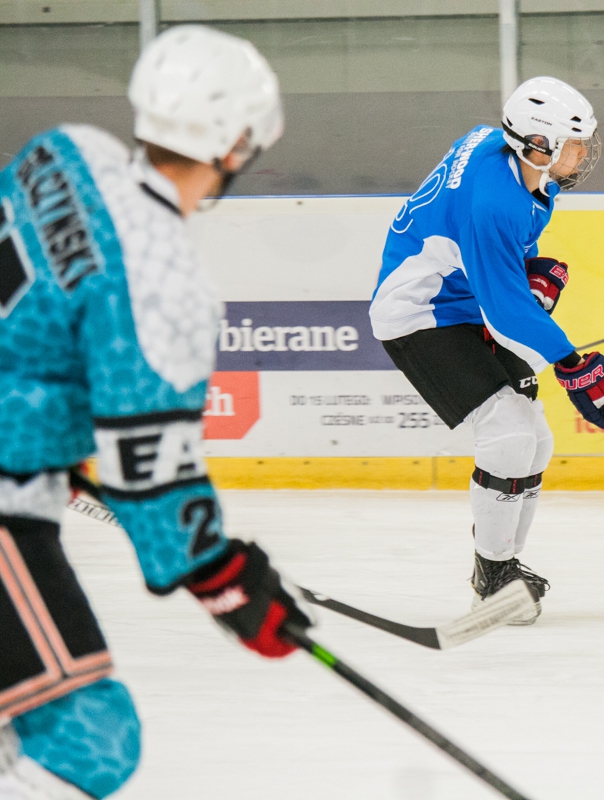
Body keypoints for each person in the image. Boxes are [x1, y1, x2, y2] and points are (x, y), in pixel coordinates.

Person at [0, 25, 312, 800]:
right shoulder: (166, 281)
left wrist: (51, 436)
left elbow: (40, 321)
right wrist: (225, 578)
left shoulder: (62, 151)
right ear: (237, 143)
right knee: (87, 742)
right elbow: (150, 473)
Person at [369, 77, 604, 624]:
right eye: (574, 144)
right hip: (419, 313)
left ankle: (503, 569)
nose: (584, 154)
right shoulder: (495, 203)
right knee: (508, 433)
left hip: (460, 299)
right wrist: (575, 367)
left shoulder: (509, 155)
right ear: (538, 145)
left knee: (536, 439)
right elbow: (507, 313)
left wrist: (522, 270)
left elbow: (493, 264)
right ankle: (492, 584)